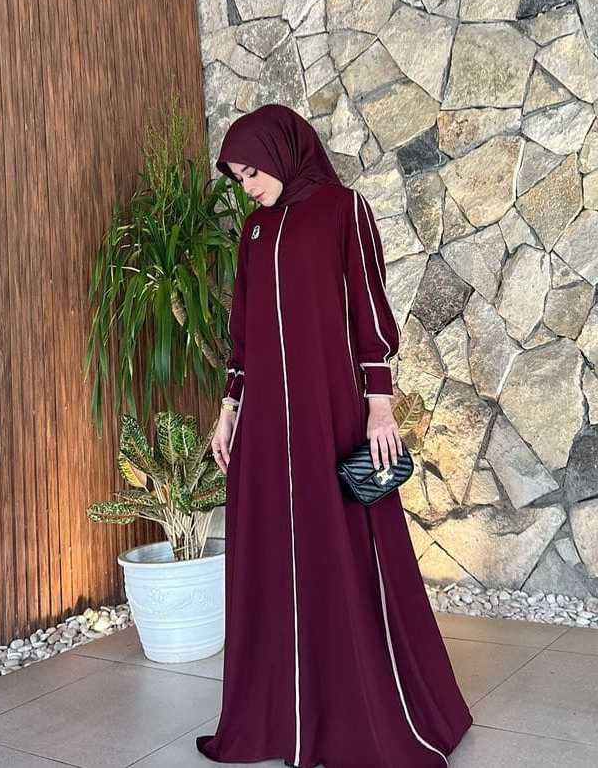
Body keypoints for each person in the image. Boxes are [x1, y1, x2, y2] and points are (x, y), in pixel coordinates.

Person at [197, 103, 472, 768]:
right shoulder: (254, 231)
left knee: (343, 553)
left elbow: (370, 312)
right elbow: (244, 331)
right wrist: (229, 408)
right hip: (267, 426)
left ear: (283, 153)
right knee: (275, 557)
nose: (247, 187)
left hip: (331, 415)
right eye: (237, 177)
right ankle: (283, 717)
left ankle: (358, 709)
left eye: (252, 172)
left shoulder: (343, 211)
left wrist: (380, 409)